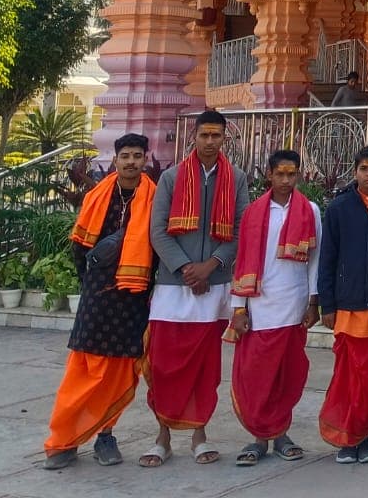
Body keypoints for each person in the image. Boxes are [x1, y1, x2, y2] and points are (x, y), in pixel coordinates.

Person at [43, 133, 156, 470]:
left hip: (133, 298)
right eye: (126, 156)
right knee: (82, 372)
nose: (132, 162)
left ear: (145, 160)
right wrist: (93, 284)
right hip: (97, 298)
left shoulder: (154, 197)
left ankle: (105, 435)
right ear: (116, 158)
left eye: (138, 156)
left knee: (120, 373)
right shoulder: (97, 196)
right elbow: (80, 247)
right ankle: (63, 440)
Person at [143, 110, 249, 466]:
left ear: (224, 139)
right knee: (164, 364)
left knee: (205, 366)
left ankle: (200, 435)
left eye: (216, 136)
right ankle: (162, 436)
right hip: (174, 286)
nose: (209, 141)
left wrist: (212, 266)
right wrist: (187, 268)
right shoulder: (172, 178)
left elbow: (239, 230)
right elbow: (157, 231)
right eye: (204, 135)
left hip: (214, 285)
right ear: (194, 137)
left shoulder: (236, 178)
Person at [229, 149, 321, 467]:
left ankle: (281, 434)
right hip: (258, 307)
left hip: (294, 305)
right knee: (256, 376)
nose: (285, 180)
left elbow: (315, 262)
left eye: (291, 174)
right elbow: (241, 261)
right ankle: (258, 437)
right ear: (268, 174)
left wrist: (313, 301)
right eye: (279, 174)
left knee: (286, 374)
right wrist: (238, 308)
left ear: (298, 175)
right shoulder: (253, 212)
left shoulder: (310, 211)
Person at [317, 145, 368, 463]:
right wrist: (327, 305)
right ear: (355, 171)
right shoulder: (338, 208)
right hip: (348, 307)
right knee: (348, 379)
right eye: (364, 168)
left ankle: (364, 438)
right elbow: (327, 259)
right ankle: (346, 440)